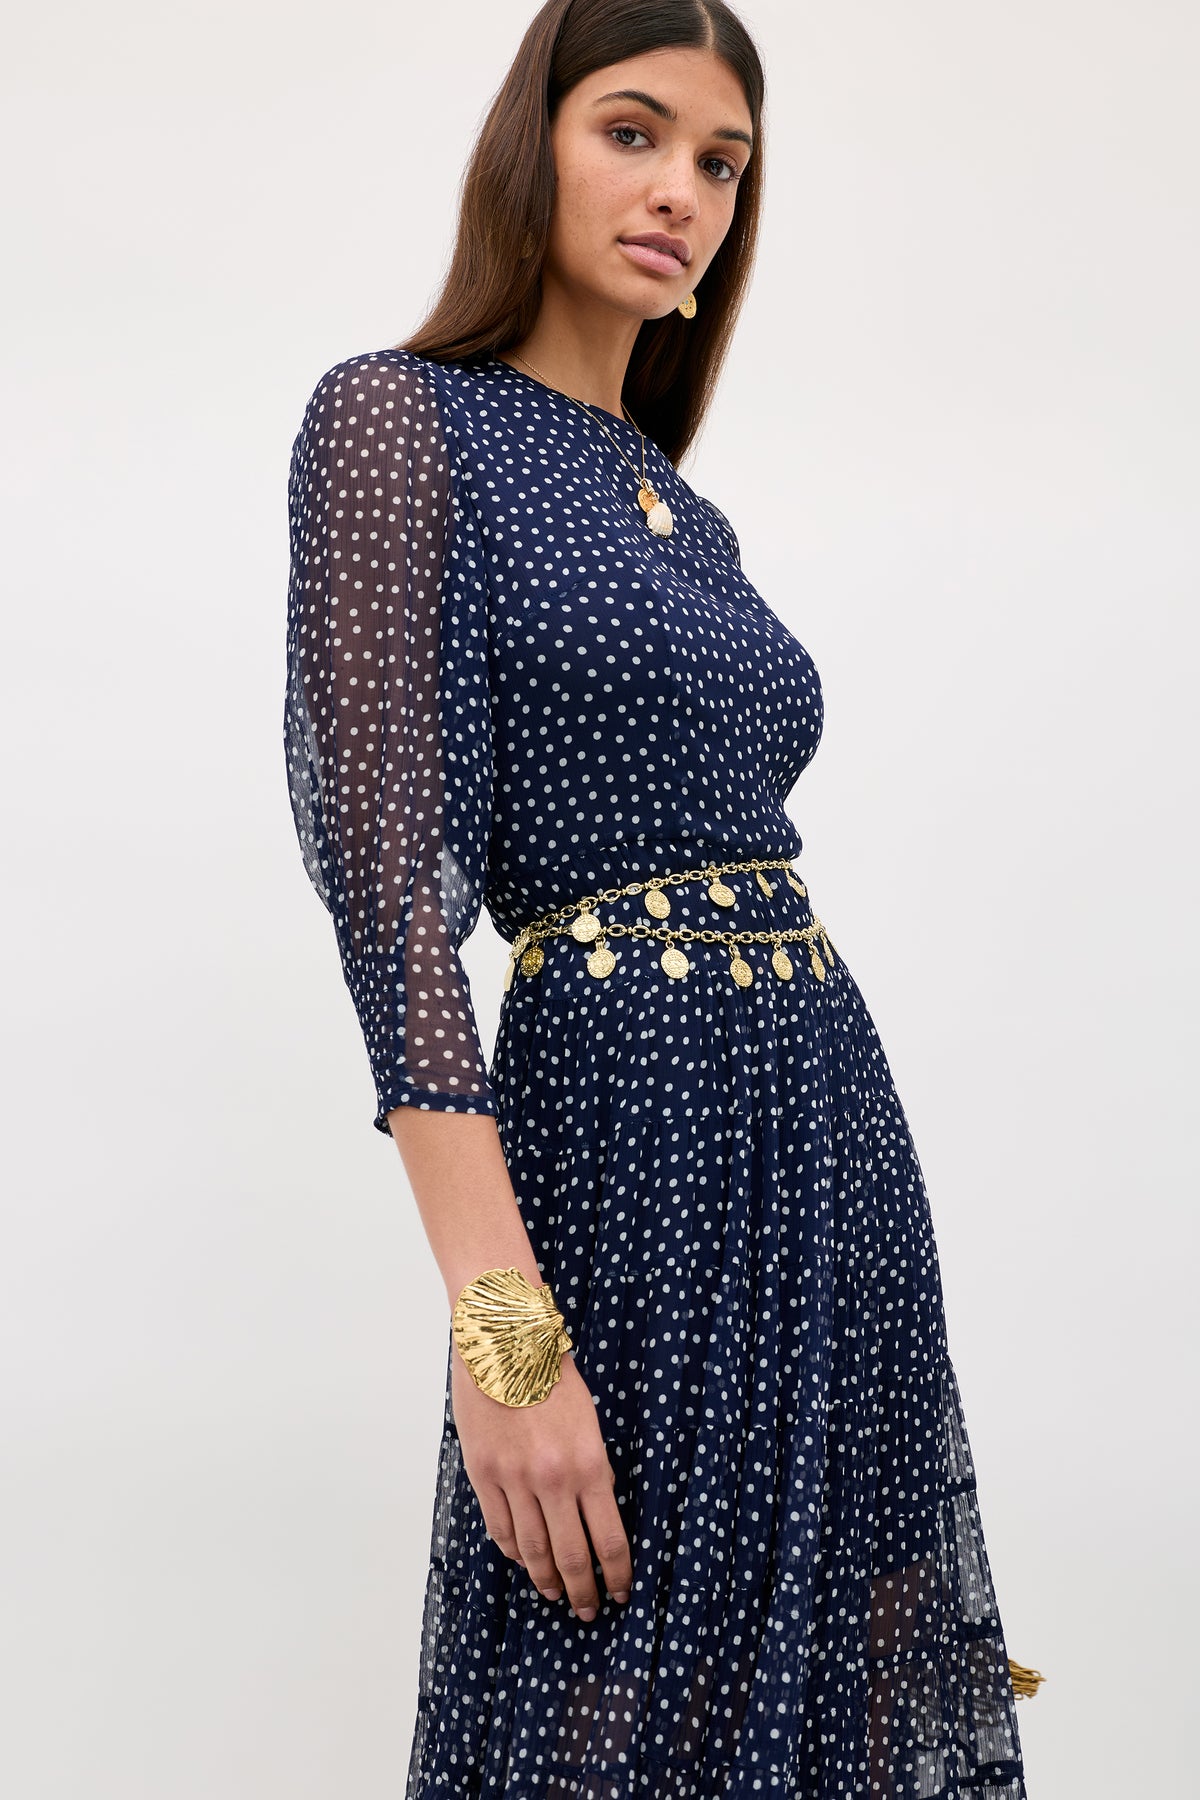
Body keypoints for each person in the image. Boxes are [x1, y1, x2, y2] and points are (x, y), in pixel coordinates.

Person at [283, 1, 1042, 1793]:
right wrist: (505, 1336)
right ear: (526, 143)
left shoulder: (680, 511)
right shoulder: (399, 423)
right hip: (620, 1144)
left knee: (830, 1696)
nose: (681, 191)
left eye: (722, 163)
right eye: (634, 132)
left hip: (825, 1147)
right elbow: (391, 902)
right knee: (607, 1682)